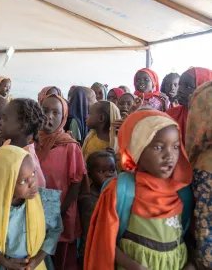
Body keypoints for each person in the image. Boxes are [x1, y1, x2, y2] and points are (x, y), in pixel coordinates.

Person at [84, 110, 193, 270]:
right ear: (137, 149)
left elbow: (186, 235)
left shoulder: (182, 190)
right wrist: (135, 267)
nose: (169, 155)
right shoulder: (121, 189)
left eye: (176, 146)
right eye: (158, 147)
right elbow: (104, 241)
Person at [0, 145, 63, 270]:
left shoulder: (45, 201)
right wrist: (6, 262)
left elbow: (54, 231)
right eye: (23, 181)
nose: (33, 183)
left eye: (33, 173)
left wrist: (37, 260)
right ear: (5, 184)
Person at [37, 93, 86, 270]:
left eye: (55, 113)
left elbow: (76, 184)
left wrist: (60, 211)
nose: (49, 116)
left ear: (63, 117)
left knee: (61, 256)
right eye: (45, 110)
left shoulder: (69, 146)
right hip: (35, 211)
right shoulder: (31, 141)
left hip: (62, 211)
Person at [0, 98, 46, 188]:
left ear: (22, 126)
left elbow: (40, 186)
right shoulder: (8, 144)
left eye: (5, 118)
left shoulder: (27, 159)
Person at [185, 80, 212, 269]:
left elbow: (195, 139)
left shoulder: (206, 92)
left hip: (207, 171)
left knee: (207, 241)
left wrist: (188, 164)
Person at [78, 151, 117, 268]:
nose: (109, 175)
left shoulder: (117, 193)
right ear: (90, 175)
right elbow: (90, 234)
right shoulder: (88, 200)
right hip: (93, 252)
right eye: (102, 171)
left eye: (112, 170)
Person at [167, 67, 212, 145]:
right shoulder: (171, 115)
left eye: (188, 87)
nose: (180, 89)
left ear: (204, 90)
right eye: (180, 84)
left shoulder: (209, 121)